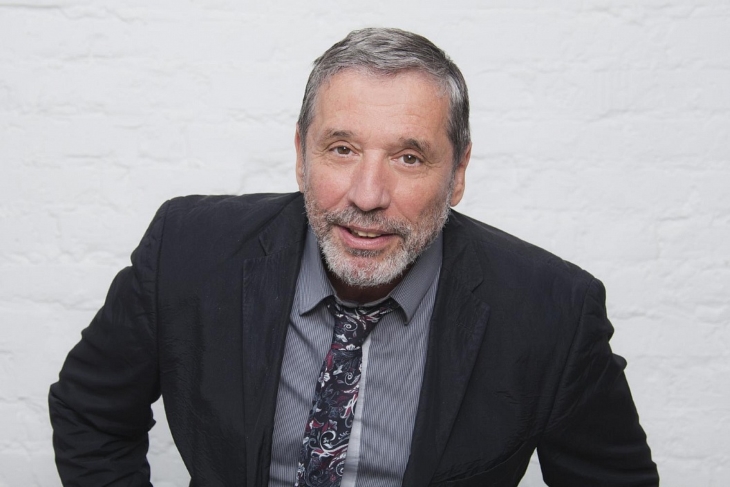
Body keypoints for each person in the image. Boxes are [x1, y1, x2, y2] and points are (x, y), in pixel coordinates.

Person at [49, 27, 659, 487]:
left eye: (409, 158)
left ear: (458, 172)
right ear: (301, 154)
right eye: (341, 149)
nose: (367, 196)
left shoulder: (552, 313)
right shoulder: (188, 251)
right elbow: (91, 413)